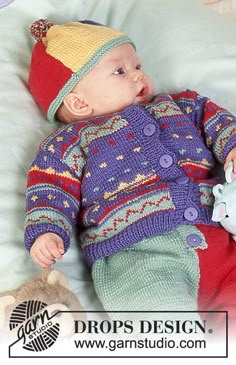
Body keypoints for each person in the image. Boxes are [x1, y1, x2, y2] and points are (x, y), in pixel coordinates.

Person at [25, 19, 236, 331]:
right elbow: (49, 188)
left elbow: (216, 120)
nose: (139, 74)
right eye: (120, 71)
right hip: (134, 253)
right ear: (79, 102)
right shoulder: (68, 143)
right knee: (160, 323)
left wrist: (232, 146)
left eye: (137, 64)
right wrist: (47, 231)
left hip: (214, 232)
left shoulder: (179, 104)